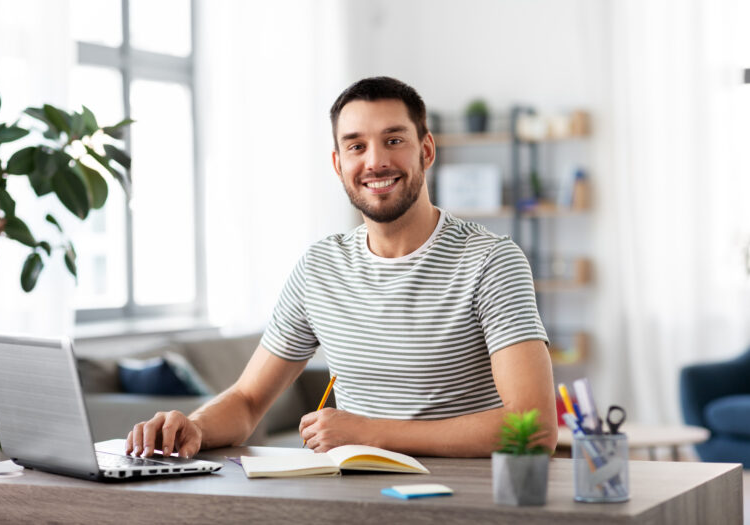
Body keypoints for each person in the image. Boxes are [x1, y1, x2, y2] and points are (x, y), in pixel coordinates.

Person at [126, 77, 557, 459]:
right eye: (356, 146)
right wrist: (195, 427)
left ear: (426, 151)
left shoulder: (491, 261)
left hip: (463, 500)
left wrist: (373, 433)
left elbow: (533, 428)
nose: (375, 162)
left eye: (393, 140)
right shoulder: (319, 267)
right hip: (351, 498)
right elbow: (247, 399)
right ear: (338, 164)